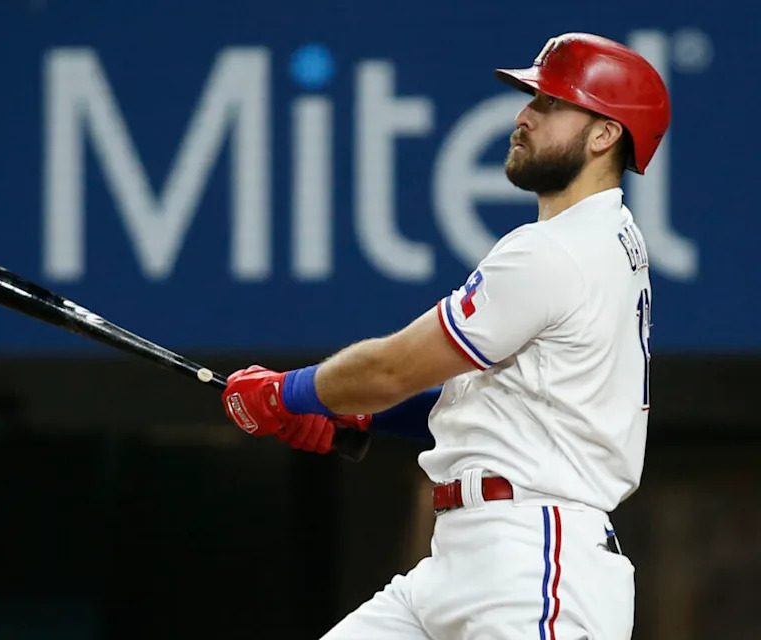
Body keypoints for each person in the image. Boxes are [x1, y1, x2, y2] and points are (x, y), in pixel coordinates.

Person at [221, 32, 669, 639]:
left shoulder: (557, 251)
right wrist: (364, 418)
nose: (524, 115)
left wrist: (288, 394)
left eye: (550, 103)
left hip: (534, 561)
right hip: (462, 559)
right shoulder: (606, 236)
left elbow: (394, 368)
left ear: (604, 134)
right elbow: (506, 401)